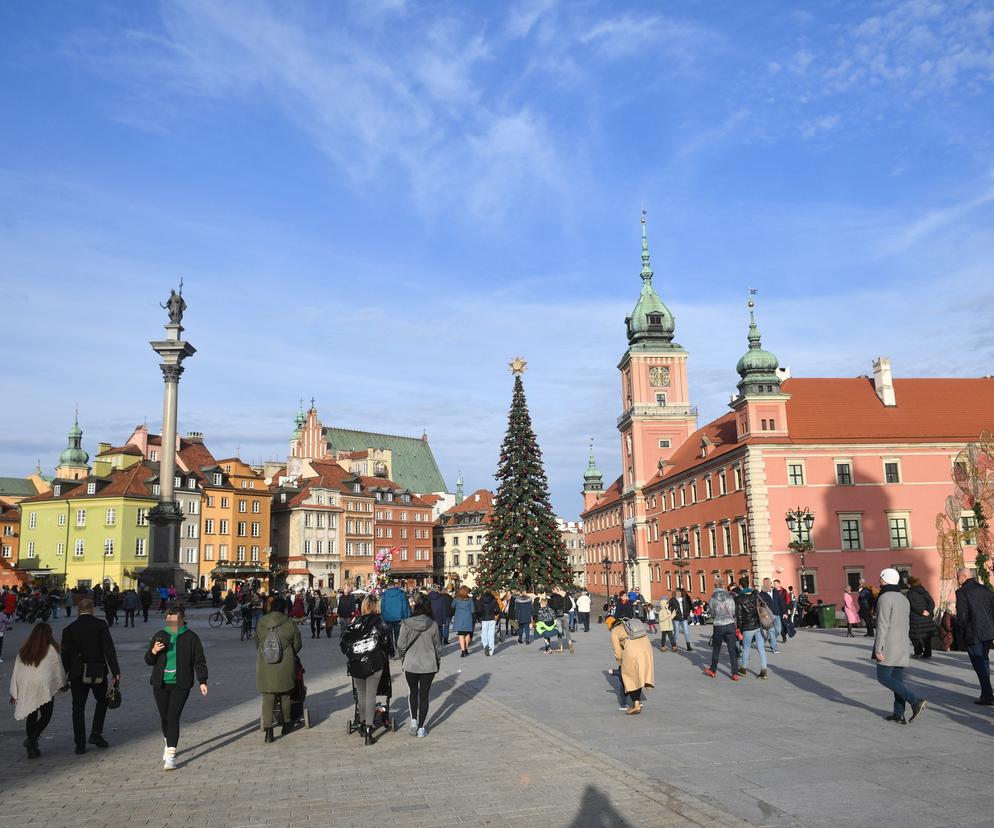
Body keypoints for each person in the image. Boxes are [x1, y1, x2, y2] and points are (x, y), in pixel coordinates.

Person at [145, 604, 208, 770]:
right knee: (164, 717)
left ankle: (171, 756)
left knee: (173, 717)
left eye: (174, 621)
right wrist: (153, 650)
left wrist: (202, 680)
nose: (171, 624)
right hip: (160, 683)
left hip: (181, 684)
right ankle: (168, 742)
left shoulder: (191, 637)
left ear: (181, 620)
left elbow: (199, 660)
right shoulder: (160, 635)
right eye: (168, 620)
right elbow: (148, 660)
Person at [61, 598, 120, 754]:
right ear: (92, 609)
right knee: (102, 700)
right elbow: (109, 649)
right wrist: (116, 672)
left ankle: (79, 744)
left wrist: (63, 676)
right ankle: (95, 733)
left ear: (78, 610)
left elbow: (65, 656)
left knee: (78, 708)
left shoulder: (68, 629)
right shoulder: (100, 625)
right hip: (98, 671)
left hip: (77, 674)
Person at [873, 568, 926, 724]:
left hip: (888, 644)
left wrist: (878, 648)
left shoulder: (884, 598)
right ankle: (899, 713)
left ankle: (915, 701)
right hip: (902, 643)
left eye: (881, 578)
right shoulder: (904, 598)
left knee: (883, 677)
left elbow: (882, 625)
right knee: (897, 680)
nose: (879, 580)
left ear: (885, 580)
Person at [9, 622, 66, 759]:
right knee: (46, 714)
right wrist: (63, 683)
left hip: (27, 685)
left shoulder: (24, 651)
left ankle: (32, 748)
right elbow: (58, 669)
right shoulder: (52, 650)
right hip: (44, 685)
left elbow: (16, 672)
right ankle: (32, 740)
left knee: (31, 714)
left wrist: (14, 691)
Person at [341, 595, 392, 746]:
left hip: (357, 664)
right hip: (375, 663)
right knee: (371, 696)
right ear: (377, 606)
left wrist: (353, 653)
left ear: (363, 606)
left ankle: (363, 724)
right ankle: (369, 730)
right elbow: (388, 644)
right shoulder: (380, 622)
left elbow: (344, 644)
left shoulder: (355, 622)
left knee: (361, 695)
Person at [255, 595, 303, 743]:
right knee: (285, 695)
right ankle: (286, 724)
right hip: (285, 665)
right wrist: (289, 652)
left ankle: (269, 731)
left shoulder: (261, 622)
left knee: (268, 697)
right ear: (284, 608)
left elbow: (257, 642)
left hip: (265, 664)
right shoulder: (289, 623)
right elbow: (298, 644)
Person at [398, 593, 441, 738]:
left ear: (415, 606)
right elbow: (437, 647)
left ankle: (414, 721)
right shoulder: (433, 624)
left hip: (411, 664)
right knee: (424, 696)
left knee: (412, 692)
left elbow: (400, 645)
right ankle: (422, 728)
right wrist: (438, 662)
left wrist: (403, 655)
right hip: (429, 664)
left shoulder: (406, 623)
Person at [954, 566, 994, 706]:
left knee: (979, 665)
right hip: (988, 632)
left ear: (963, 577)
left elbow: (963, 616)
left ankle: (988, 695)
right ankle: (986, 693)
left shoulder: (961, 592)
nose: (957, 580)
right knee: (984, 661)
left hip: (973, 633)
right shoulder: (985, 589)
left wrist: (959, 631)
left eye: (958, 577)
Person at [608, 616, 654, 714]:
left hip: (633, 649)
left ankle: (636, 705)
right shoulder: (627, 624)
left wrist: (621, 664)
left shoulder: (614, 631)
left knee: (630, 677)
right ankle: (637, 703)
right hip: (646, 645)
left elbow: (617, 651)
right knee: (638, 674)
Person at [705, 579, 740, 680]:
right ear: (723, 585)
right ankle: (735, 673)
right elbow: (733, 611)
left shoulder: (712, 598)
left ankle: (713, 670)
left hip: (718, 625)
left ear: (715, 586)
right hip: (730, 624)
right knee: (732, 649)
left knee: (716, 649)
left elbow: (712, 614)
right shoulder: (729, 596)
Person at [735, 577, 768, 679]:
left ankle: (743, 669)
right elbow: (763, 607)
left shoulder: (739, 599)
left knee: (746, 648)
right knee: (761, 648)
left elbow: (739, 616)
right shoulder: (755, 595)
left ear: (740, 586)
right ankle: (764, 671)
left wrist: (739, 628)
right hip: (758, 625)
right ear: (748, 584)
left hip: (747, 627)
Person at [906, 577, 935, 659]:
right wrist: (928, 611)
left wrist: (921, 611)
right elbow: (931, 602)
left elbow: (912, 604)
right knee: (926, 636)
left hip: (916, 618)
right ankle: (927, 653)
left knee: (914, 636)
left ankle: (918, 652)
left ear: (910, 584)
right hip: (927, 618)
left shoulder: (910, 593)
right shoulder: (924, 591)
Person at [379, 581, 411, 655]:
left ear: (388, 586)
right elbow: (404, 606)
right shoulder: (401, 593)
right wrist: (405, 617)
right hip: (399, 617)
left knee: (389, 636)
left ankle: (391, 653)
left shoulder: (384, 595)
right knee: (398, 635)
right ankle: (400, 652)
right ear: (394, 585)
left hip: (388, 618)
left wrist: (383, 617)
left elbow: (382, 607)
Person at [759, 578, 786, 653]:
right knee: (771, 631)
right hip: (768, 616)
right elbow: (761, 606)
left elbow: (781, 602)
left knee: (778, 630)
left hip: (777, 614)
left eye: (769, 583)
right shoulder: (761, 594)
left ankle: (771, 639)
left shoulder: (775, 591)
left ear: (771, 584)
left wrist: (784, 612)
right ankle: (774, 648)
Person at [452, 586, 475, 658]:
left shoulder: (456, 599)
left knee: (461, 634)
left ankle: (462, 650)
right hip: (467, 618)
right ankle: (466, 648)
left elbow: (452, 606)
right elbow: (472, 610)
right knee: (467, 633)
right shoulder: (470, 600)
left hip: (459, 618)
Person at [477, 589, 500, 656]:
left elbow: (479, 610)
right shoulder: (493, 599)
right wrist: (494, 613)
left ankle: (486, 645)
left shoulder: (481, 599)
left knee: (484, 634)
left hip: (484, 619)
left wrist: (480, 615)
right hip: (491, 618)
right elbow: (498, 609)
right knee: (491, 634)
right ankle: (491, 651)